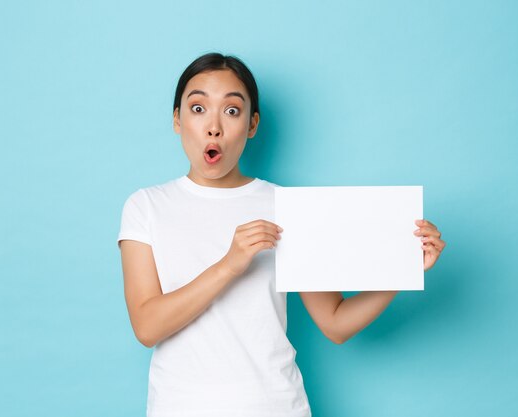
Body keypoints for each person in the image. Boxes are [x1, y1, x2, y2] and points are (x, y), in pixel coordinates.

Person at [117, 52, 446, 417]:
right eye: (197, 109)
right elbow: (147, 326)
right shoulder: (146, 205)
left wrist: (402, 267)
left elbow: (335, 322)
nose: (214, 127)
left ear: (252, 124)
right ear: (177, 119)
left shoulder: (286, 205)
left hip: (275, 406)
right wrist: (229, 265)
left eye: (231, 111)